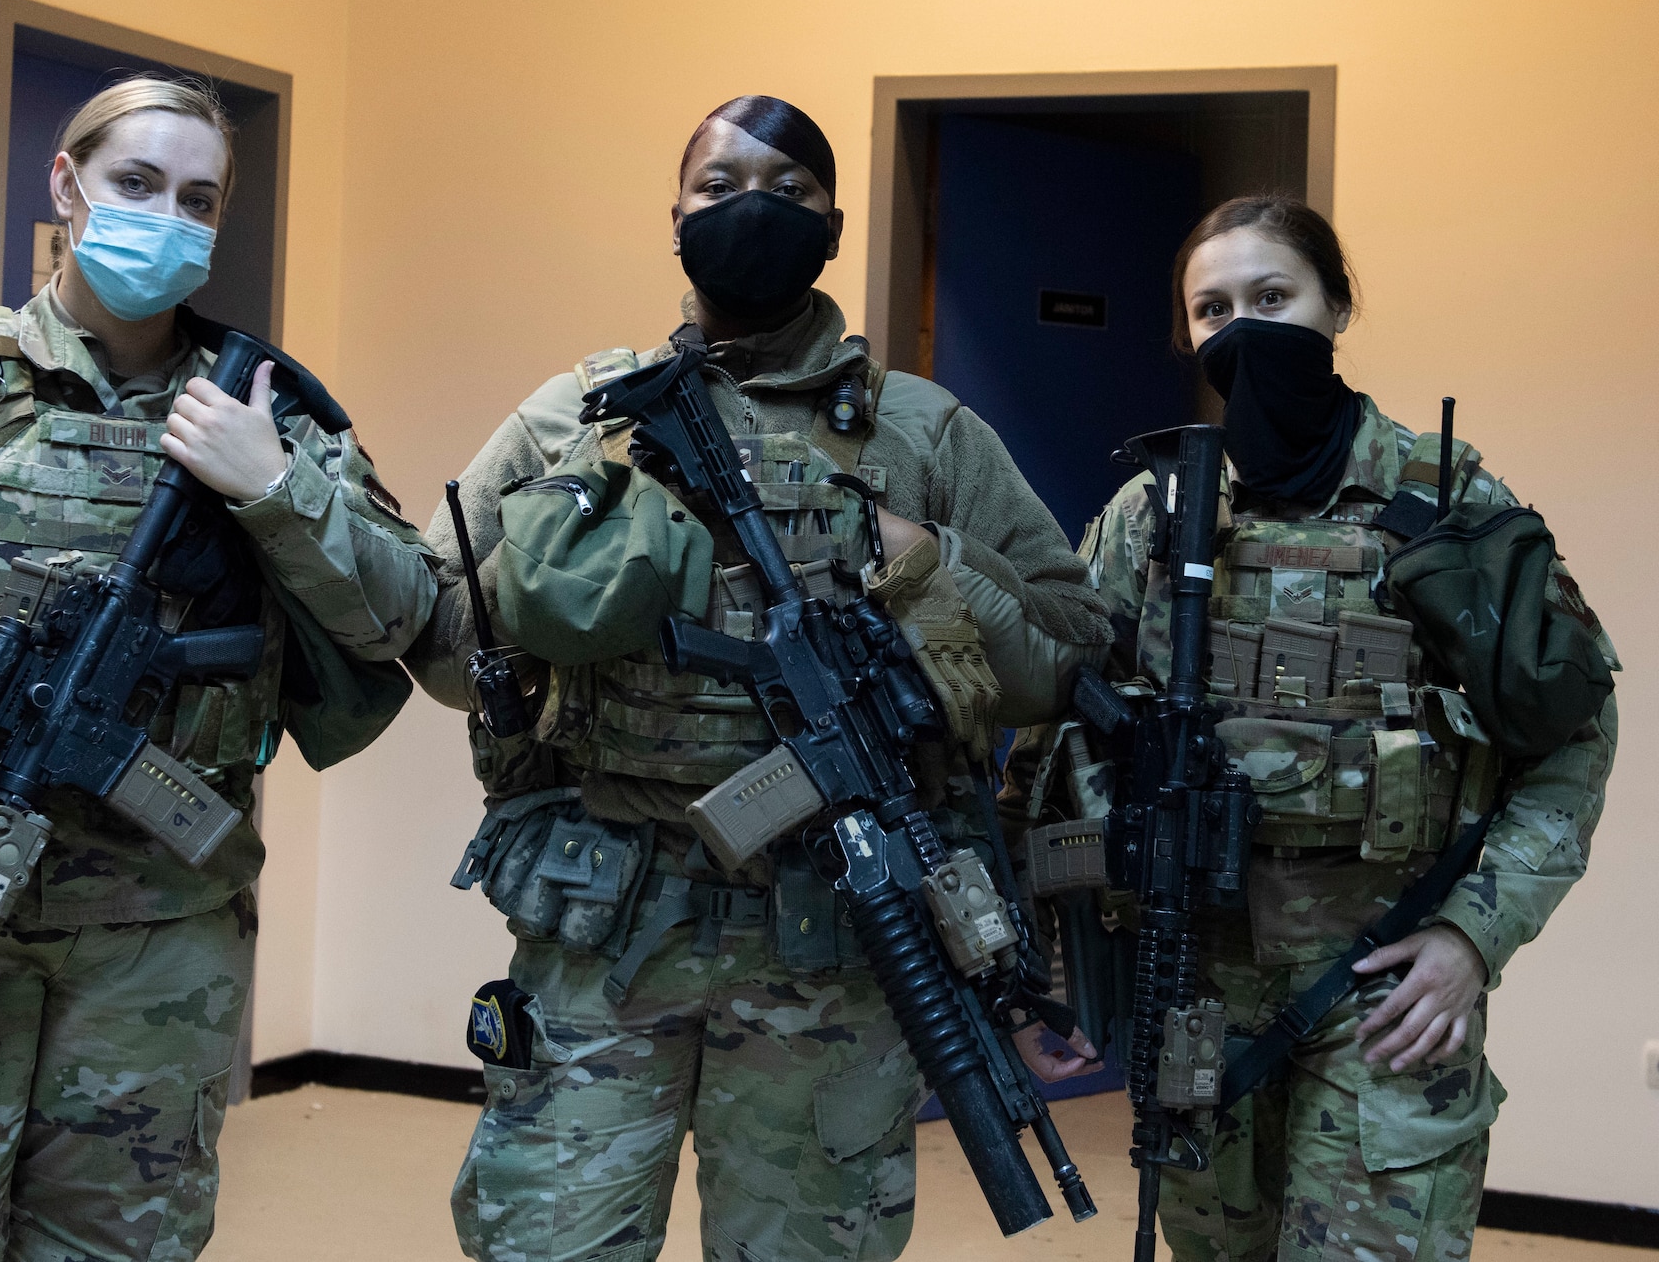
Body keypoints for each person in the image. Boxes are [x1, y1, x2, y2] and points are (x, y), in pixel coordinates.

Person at [0, 76, 436, 1262]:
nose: (168, 216)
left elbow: (409, 616)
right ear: (67, 185)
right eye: (136, 183)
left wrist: (273, 484)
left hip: (157, 940)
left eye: (197, 198)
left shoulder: (262, 407)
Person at [407, 95, 1113, 1262]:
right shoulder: (578, 418)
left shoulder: (922, 435)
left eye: (787, 191)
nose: (751, 209)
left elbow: (1069, 654)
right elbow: (438, 633)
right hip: (603, 927)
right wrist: (545, 596)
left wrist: (934, 569)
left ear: (833, 227)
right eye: (719, 184)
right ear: (673, 218)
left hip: (837, 941)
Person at [1065, 196, 1617, 1261]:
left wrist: (1472, 936)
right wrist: (1073, 959)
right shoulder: (1150, 517)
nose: (1242, 330)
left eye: (1272, 298)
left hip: (1383, 987)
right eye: (1211, 309)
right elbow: (1063, 739)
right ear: (1186, 337)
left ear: (1337, 305)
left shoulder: (1443, 501)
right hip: (1193, 985)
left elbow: (1571, 739)